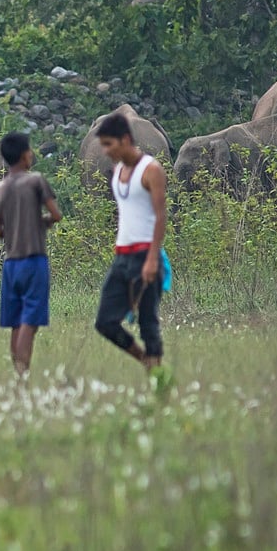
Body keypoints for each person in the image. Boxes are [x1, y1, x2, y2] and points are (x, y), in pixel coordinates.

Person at [93, 112, 169, 369]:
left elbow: (160, 216)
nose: (104, 151)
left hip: (146, 254)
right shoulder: (116, 173)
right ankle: (146, 362)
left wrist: (151, 259)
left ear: (125, 139)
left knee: (148, 322)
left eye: (108, 144)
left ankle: (158, 380)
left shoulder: (151, 170)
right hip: (122, 257)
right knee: (105, 322)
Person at [0, 132, 63, 375]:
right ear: (24, 155)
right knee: (30, 323)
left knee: (15, 323)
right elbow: (56, 215)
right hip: (34, 260)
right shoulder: (36, 182)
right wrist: (40, 221)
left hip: (11, 265)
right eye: (30, 151)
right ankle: (22, 376)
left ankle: (17, 375)